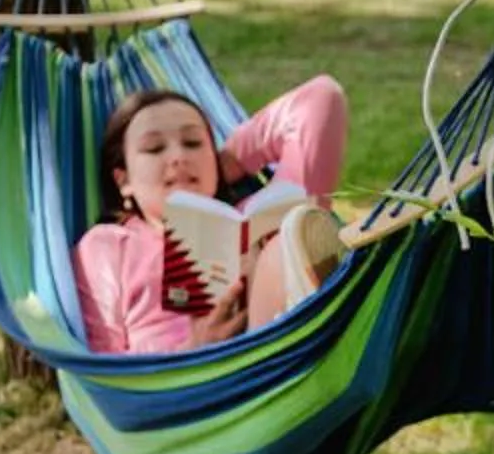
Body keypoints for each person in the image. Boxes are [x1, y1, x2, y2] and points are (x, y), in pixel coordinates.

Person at [74, 76, 350, 357]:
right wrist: (196, 348)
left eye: (193, 143)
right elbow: (103, 363)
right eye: (155, 148)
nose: (178, 156)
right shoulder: (109, 245)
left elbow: (321, 100)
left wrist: (229, 163)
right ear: (123, 181)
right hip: (182, 387)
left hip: (271, 357)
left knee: (287, 235)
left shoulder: (249, 216)